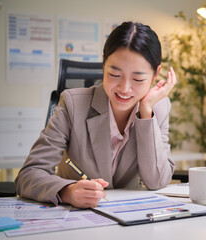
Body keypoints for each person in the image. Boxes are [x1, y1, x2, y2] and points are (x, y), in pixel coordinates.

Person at [15, 22, 177, 209]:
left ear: (156, 73)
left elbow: (157, 181)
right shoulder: (72, 104)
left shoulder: (159, 108)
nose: (124, 89)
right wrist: (67, 191)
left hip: (129, 215)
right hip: (76, 216)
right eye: (114, 74)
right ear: (103, 64)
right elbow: (28, 175)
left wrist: (146, 112)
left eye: (138, 79)